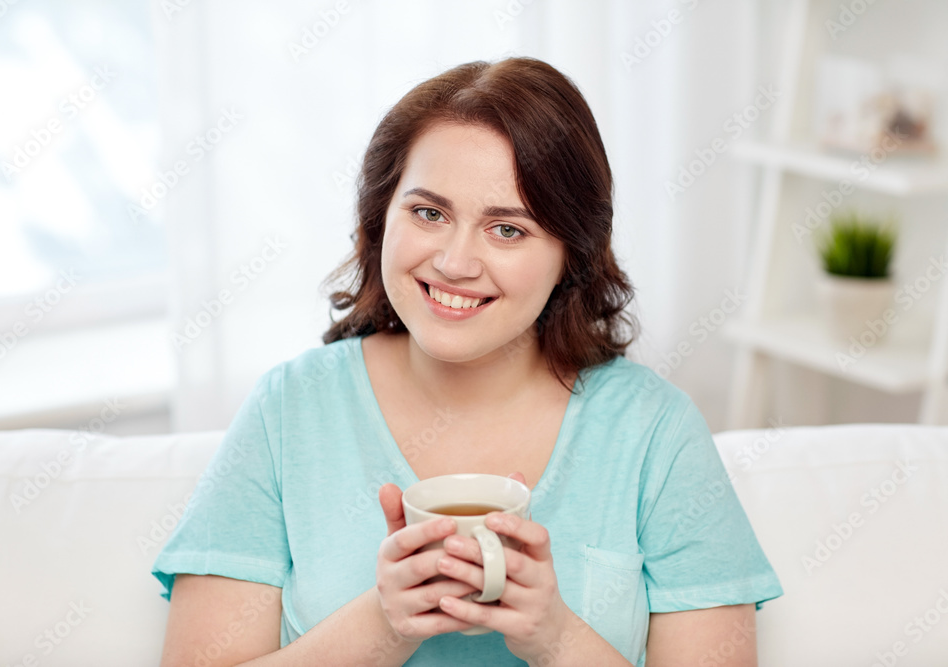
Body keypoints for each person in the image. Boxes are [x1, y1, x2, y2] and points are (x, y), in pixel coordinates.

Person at [152, 56, 783, 666]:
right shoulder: (289, 410)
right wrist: (382, 624)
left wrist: (555, 637)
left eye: (508, 229)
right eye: (429, 213)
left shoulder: (654, 432)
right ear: (380, 220)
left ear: (573, 252)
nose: (455, 263)